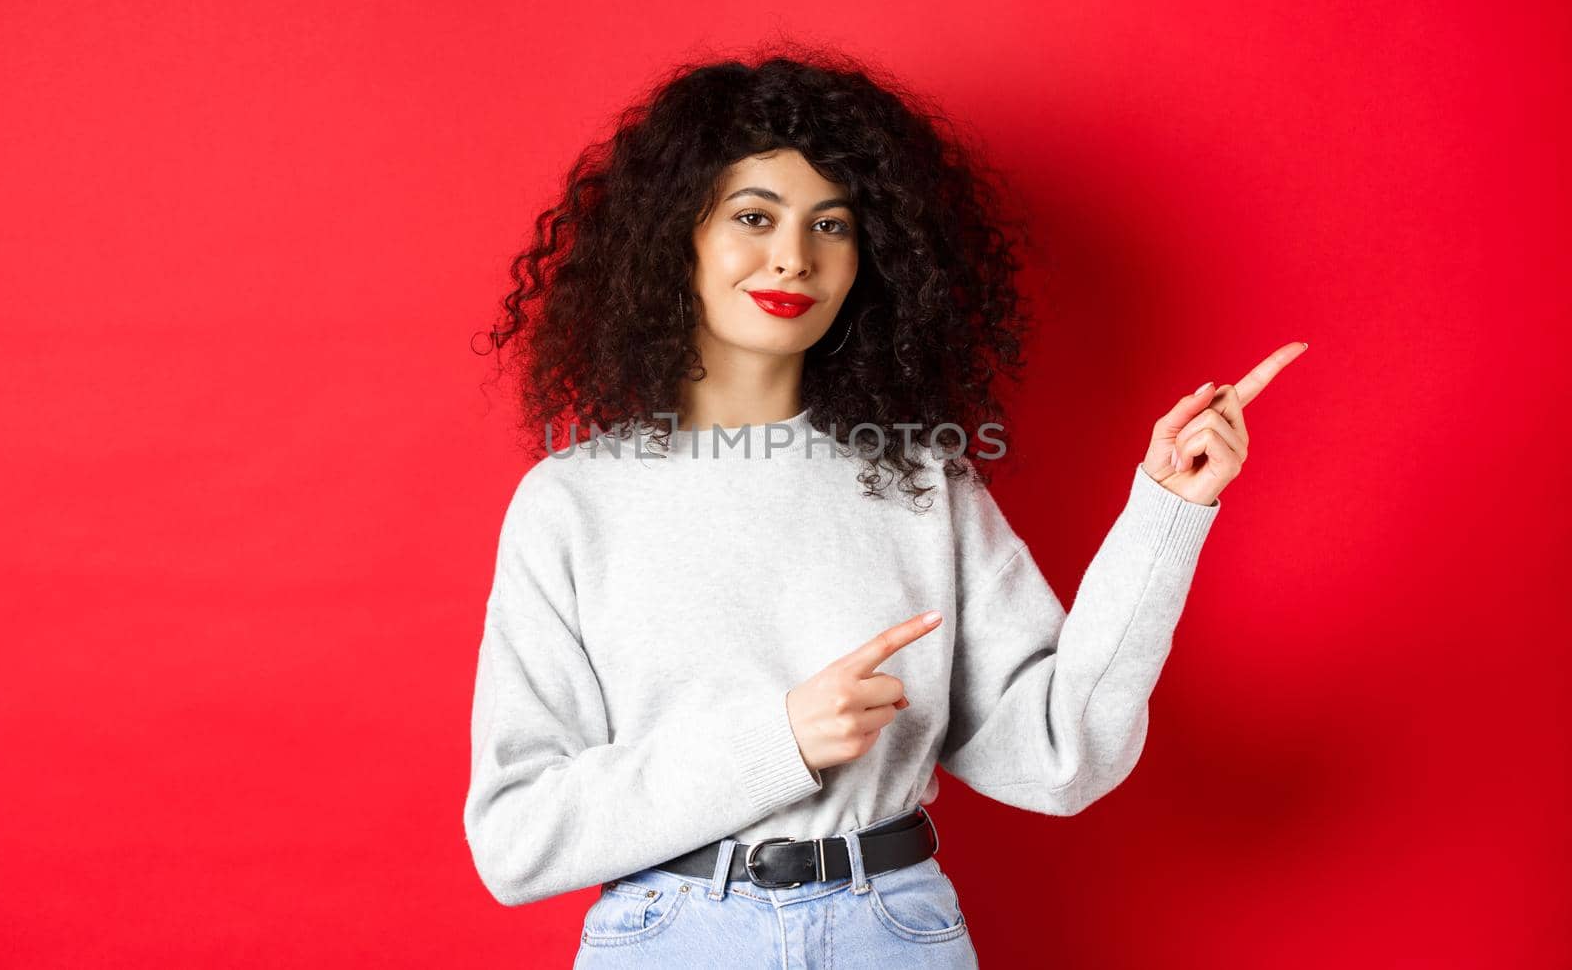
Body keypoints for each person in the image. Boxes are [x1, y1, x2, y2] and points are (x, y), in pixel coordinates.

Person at [464, 47, 1305, 967]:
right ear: (679, 237)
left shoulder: (919, 479)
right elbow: (516, 838)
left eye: (833, 224)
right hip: (672, 935)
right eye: (755, 216)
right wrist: (777, 740)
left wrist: (1167, 512)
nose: (795, 255)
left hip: (891, 932)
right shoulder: (572, 503)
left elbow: (1063, 753)